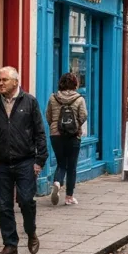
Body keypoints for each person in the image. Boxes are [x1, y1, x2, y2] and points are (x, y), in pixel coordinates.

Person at [0, 67, 49, 254]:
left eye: (4, 80)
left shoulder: (29, 102)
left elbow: (39, 132)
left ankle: (31, 232)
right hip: (2, 163)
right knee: (4, 206)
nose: (0, 83)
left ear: (15, 81)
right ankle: (10, 244)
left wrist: (40, 160)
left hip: (25, 162)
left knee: (26, 201)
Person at [46, 73, 88, 206]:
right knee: (72, 166)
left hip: (55, 135)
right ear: (75, 84)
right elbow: (84, 115)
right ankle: (69, 197)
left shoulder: (53, 98)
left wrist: (54, 127)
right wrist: (76, 126)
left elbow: (48, 115)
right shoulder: (79, 99)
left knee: (61, 162)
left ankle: (57, 182)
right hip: (73, 135)